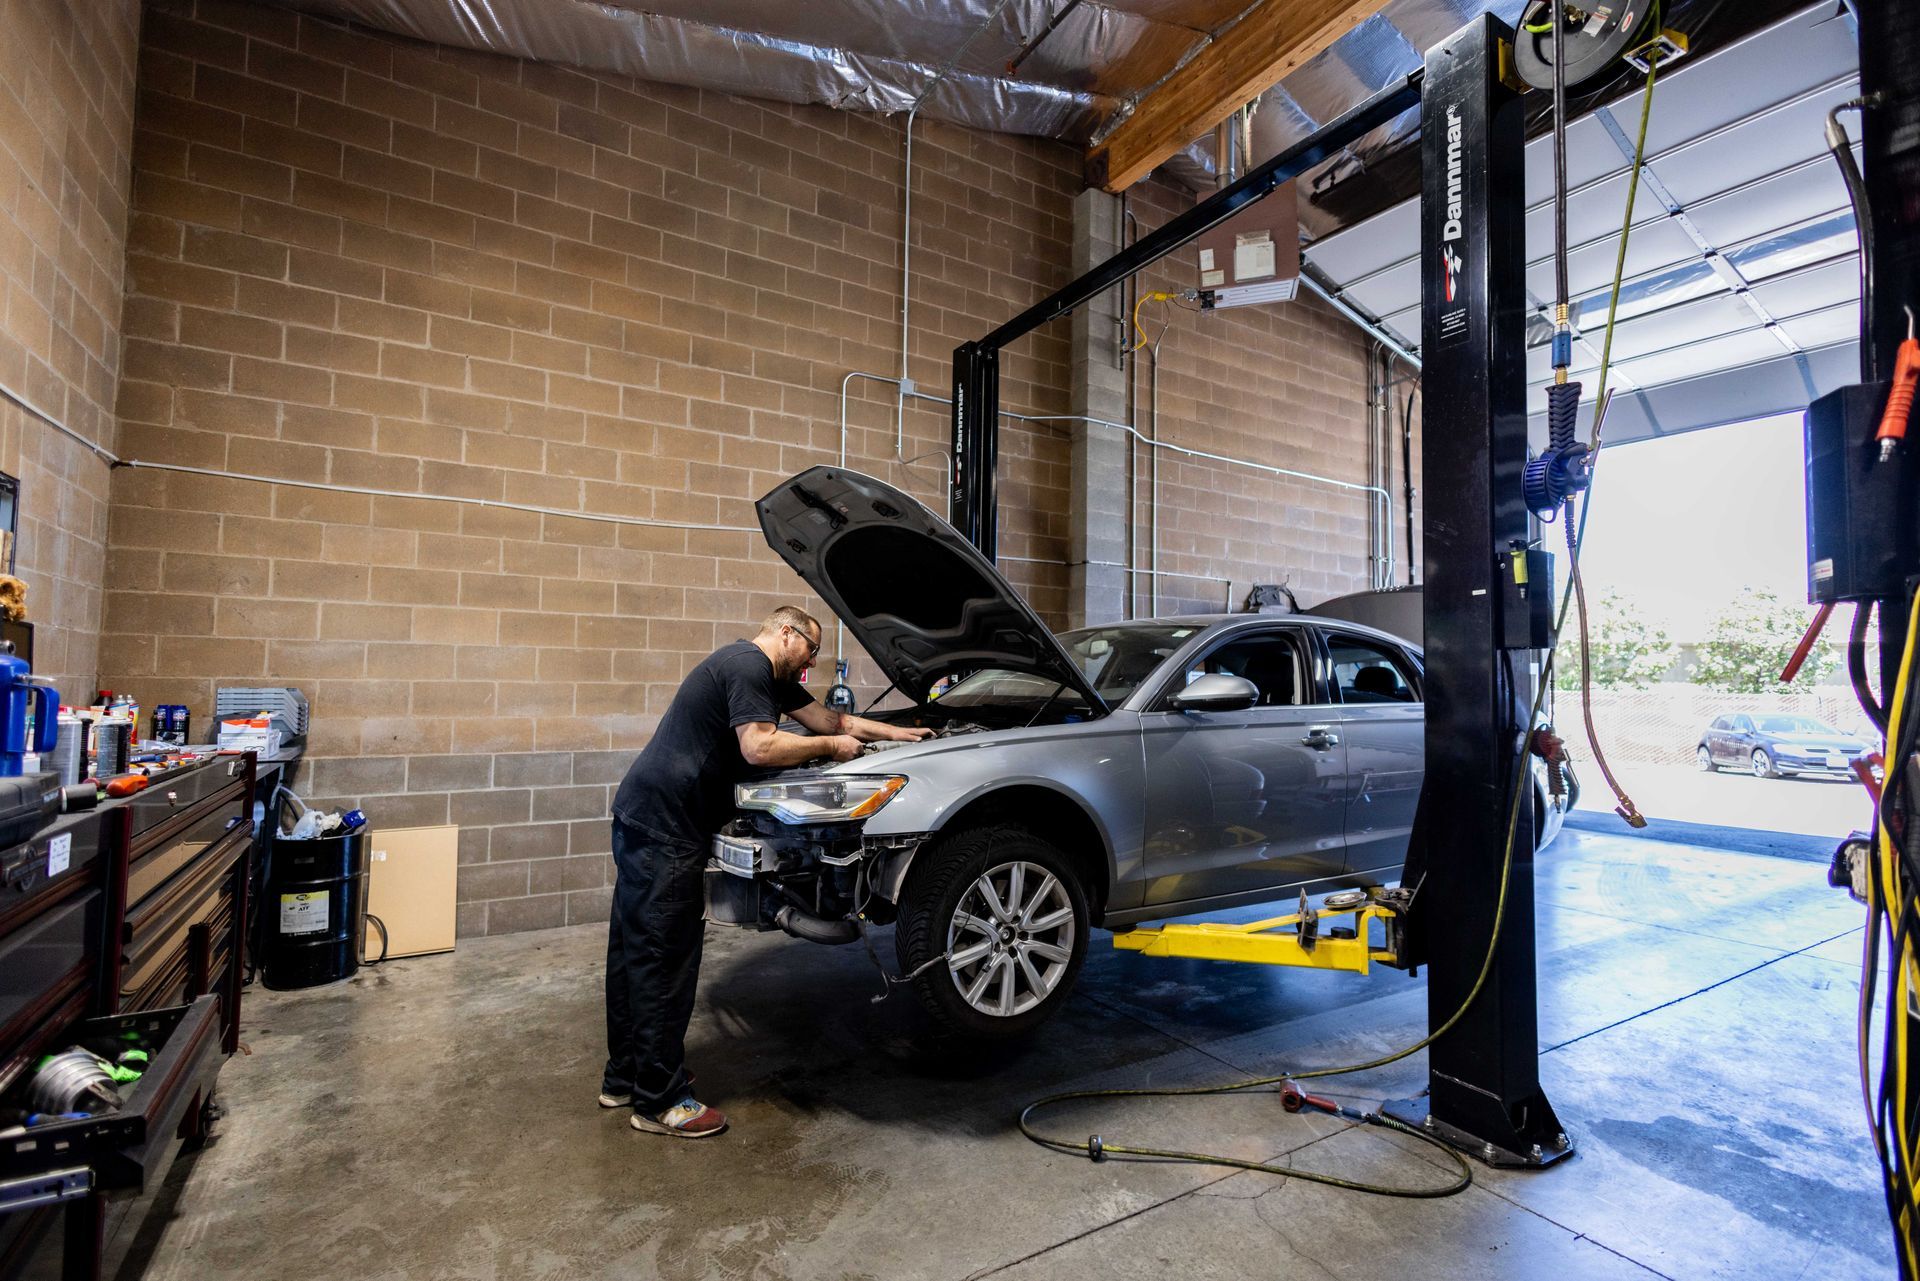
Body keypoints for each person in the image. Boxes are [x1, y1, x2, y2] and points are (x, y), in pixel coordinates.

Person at [603, 605, 933, 1138]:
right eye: (813, 649)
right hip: (666, 830)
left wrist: (900, 736)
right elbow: (759, 746)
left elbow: (834, 720)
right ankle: (660, 1101)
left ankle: (626, 1078)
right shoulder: (749, 665)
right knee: (664, 962)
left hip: (646, 819)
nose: (814, 662)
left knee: (633, 955)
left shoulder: (768, 677)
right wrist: (830, 749)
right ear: (786, 633)